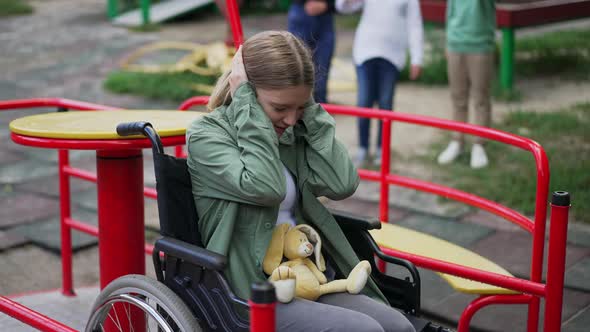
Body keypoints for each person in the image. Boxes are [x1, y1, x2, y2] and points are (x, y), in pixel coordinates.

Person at [186, 30, 415, 332]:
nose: (291, 120)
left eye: (300, 107)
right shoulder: (206, 136)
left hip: (311, 276)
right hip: (252, 291)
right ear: (247, 93)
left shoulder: (291, 133)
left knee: (399, 327)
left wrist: (313, 114)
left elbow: (342, 183)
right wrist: (248, 109)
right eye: (280, 108)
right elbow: (265, 187)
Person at [336, 0, 424, 167]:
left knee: (385, 105)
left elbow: (415, 25)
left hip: (392, 56)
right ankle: (362, 149)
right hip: (365, 52)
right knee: (364, 103)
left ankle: (381, 151)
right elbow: (343, 7)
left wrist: (417, 58)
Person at [437, 0, 496, 169]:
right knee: (458, 98)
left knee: (481, 98)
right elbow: (451, 10)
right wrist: (448, 41)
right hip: (455, 43)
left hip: (480, 44)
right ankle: (457, 141)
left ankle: (479, 145)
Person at [287, 0, 336, 103]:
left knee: (322, 72)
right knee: (297, 68)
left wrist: (328, 5)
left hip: (325, 17)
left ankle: (320, 110)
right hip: (301, 14)